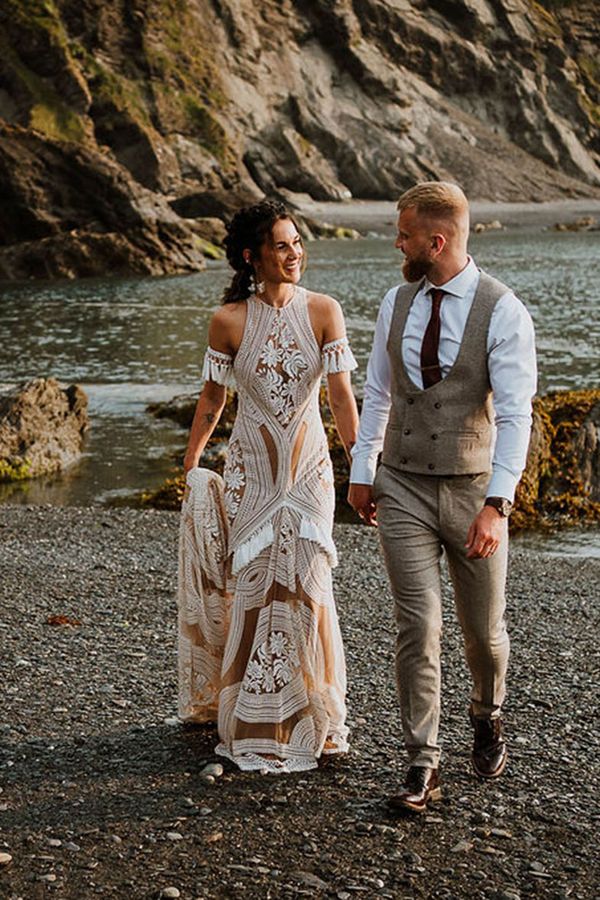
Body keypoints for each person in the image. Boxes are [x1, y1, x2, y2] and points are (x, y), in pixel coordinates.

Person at [348, 182, 536, 812]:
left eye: (404, 235)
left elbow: (516, 416)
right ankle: (422, 762)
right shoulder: (395, 302)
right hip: (401, 484)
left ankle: (487, 712)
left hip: (473, 490)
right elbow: (378, 393)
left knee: (483, 633)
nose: (396, 245)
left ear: (436, 241)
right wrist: (363, 469)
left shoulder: (503, 311)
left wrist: (498, 505)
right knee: (418, 626)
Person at [178, 199, 359, 773]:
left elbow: (340, 397)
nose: (294, 253)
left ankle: (314, 718)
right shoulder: (228, 320)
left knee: (309, 583)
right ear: (252, 256)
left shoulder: (324, 311)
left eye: (297, 242)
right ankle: (252, 717)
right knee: (253, 584)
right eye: (281, 245)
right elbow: (213, 399)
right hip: (250, 474)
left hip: (308, 474)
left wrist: (361, 464)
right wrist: (192, 461)